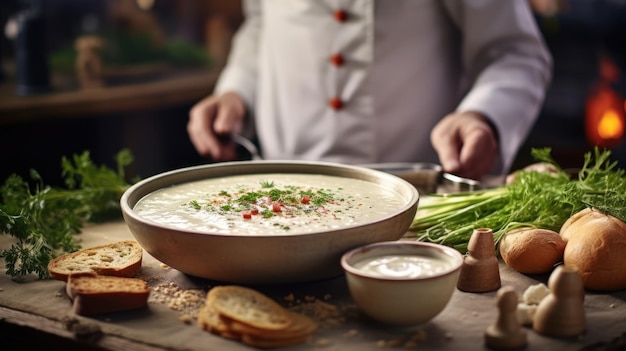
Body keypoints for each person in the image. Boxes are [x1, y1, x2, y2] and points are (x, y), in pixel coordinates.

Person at [187, 0, 552, 181]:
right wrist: (236, 91)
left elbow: (515, 52)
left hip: (414, 200)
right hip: (278, 189)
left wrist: (482, 113)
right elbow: (262, 24)